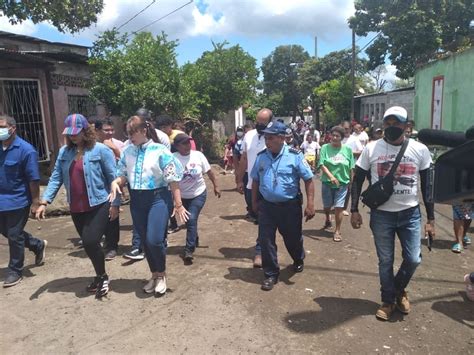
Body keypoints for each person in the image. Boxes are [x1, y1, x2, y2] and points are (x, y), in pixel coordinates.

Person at [350, 106, 436, 321]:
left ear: (407, 126)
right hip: (381, 215)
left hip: (410, 214)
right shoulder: (372, 148)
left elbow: (427, 186)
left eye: (396, 123)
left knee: (413, 258)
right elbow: (358, 179)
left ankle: (398, 290)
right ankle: (388, 301)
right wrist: (353, 209)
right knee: (385, 260)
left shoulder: (420, 149)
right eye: (388, 123)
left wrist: (431, 219)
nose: (391, 127)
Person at [37, 114, 119, 298]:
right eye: (70, 134)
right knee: (90, 246)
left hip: (99, 203)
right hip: (76, 206)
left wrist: (115, 203)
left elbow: (113, 178)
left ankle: (103, 277)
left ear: (85, 131)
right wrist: (45, 201)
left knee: (90, 241)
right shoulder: (64, 152)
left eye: (76, 133)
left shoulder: (101, 150)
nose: (73, 136)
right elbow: (56, 176)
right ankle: (100, 276)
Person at [109, 115, 189, 296]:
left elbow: (173, 179)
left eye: (133, 132)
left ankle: (162, 275)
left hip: (158, 198)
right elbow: (123, 174)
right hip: (137, 201)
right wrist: (116, 182)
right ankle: (154, 275)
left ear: (143, 130)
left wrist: (178, 204)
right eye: (127, 133)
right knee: (145, 242)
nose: (130, 137)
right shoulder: (128, 151)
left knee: (154, 239)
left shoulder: (160, 150)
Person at [250, 120, 315, 291]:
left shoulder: (295, 156)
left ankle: (298, 257)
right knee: (266, 241)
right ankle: (271, 274)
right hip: (267, 207)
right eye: (266, 138)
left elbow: (308, 179)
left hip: (290, 207)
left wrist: (310, 204)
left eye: (270, 138)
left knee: (292, 238)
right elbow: (255, 180)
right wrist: (254, 202)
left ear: (281, 138)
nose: (267, 141)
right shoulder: (261, 157)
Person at [0, 114, 47, 287]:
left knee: (13, 234)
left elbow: (33, 179)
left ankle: (15, 270)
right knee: (7, 232)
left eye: (2, 127)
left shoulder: (26, 150)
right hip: (1, 200)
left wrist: (36, 202)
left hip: (18, 200)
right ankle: (37, 244)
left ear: (12, 128)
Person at [173, 133, 221, 263]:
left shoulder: (198, 156)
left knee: (191, 217)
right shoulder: (172, 159)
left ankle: (189, 249)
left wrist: (216, 186)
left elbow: (210, 172)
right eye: (183, 143)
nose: (187, 146)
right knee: (190, 222)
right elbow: (170, 181)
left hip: (198, 194)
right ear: (177, 146)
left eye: (188, 143)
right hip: (181, 196)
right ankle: (194, 238)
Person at [236, 108, 273, 267]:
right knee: (256, 216)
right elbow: (244, 158)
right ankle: (265, 244)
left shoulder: (274, 137)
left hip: (267, 186)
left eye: (263, 123)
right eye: (257, 122)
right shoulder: (249, 135)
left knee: (264, 219)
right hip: (251, 184)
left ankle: (260, 251)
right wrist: (238, 179)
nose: (259, 125)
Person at [318, 126, 355, 241]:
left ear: (342, 138)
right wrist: (331, 177)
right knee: (327, 206)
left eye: (337, 136)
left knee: (339, 207)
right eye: (333, 135)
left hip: (342, 183)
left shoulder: (347, 150)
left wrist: (351, 183)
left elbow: (351, 167)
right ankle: (328, 218)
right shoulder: (324, 148)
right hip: (327, 182)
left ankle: (337, 230)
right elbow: (321, 164)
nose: (334, 138)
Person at [94, 118, 122, 261]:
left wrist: (114, 149)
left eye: (112, 130)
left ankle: (112, 246)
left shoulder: (119, 144)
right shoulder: (92, 146)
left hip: (113, 183)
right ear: (97, 131)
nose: (110, 132)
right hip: (96, 185)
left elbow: (124, 162)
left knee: (112, 215)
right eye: (106, 130)